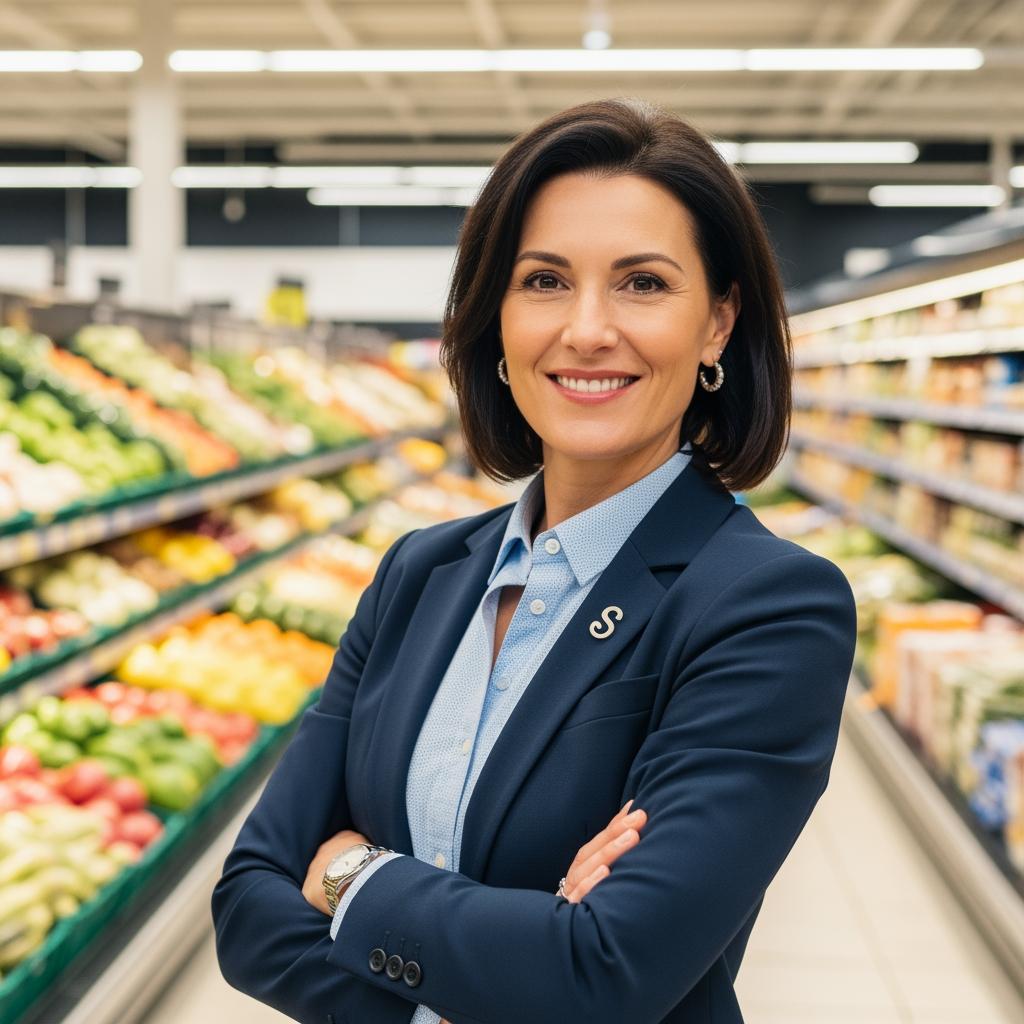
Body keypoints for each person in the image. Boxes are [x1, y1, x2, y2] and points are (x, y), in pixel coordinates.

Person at [211, 97, 858, 1024]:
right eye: (545, 280)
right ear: (497, 319)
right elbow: (247, 909)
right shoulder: (417, 574)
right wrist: (517, 956)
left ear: (718, 323)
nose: (587, 330)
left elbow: (602, 975)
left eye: (643, 283)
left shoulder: (769, 606)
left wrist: (350, 873)